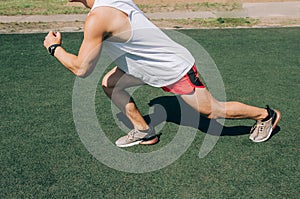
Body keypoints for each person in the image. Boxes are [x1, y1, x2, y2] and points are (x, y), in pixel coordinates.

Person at [44, 0, 281, 147]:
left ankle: (265, 115)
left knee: (211, 110)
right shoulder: (107, 3)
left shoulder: (98, 18)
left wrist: (54, 48)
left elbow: (82, 68)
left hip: (171, 67)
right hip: (142, 66)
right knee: (110, 83)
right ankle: (144, 132)